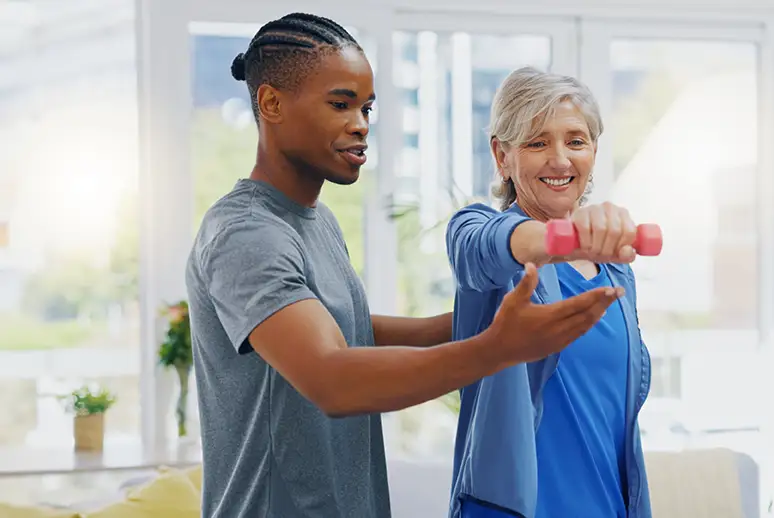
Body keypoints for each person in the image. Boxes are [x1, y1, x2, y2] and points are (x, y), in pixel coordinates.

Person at [185, 13, 624, 518]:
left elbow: (346, 330)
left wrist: (480, 320)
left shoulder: (315, 221)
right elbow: (331, 378)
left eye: (367, 108)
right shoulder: (245, 233)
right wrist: (496, 348)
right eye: (340, 104)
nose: (361, 124)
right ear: (271, 103)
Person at [445, 66, 654, 518]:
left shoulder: (615, 268)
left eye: (576, 141)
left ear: (593, 151)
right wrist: (561, 239)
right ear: (502, 156)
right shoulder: (482, 239)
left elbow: (617, 427)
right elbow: (486, 247)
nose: (560, 160)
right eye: (537, 143)